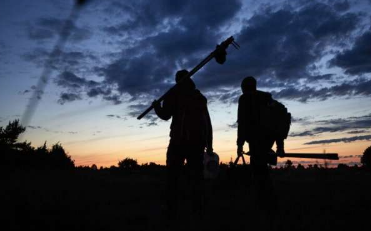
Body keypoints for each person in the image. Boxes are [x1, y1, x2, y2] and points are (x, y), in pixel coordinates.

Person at [152, 69, 213, 219]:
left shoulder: (174, 94)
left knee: (173, 176)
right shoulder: (199, 97)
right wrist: (209, 144)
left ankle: (171, 209)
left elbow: (166, 115)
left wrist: (156, 107)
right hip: (197, 143)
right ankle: (198, 209)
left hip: (179, 142)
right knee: (196, 177)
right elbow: (207, 122)